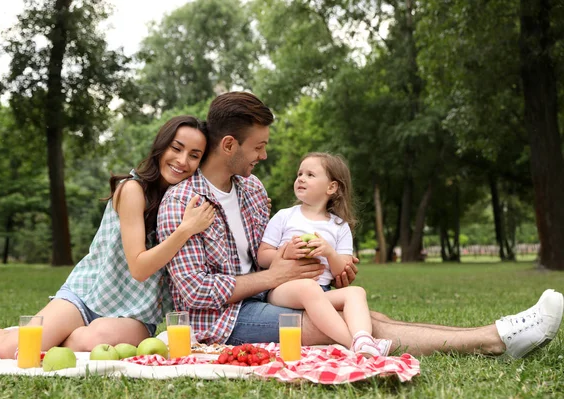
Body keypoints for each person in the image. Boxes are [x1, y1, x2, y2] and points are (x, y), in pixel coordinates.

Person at [157, 91, 564, 359]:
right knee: (339, 325)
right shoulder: (182, 201)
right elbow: (194, 293)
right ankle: (496, 339)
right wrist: (276, 273)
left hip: (269, 297)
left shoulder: (253, 191)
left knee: (364, 315)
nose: (263, 156)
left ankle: (495, 336)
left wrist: (326, 263)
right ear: (229, 145)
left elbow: (271, 255)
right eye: (258, 147)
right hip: (220, 322)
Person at [0, 115, 215, 359]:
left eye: (194, 155)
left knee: (89, 342)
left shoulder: (185, 203)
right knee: (12, 352)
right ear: (161, 147)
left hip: (135, 314)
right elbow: (139, 267)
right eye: (176, 148)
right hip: (88, 294)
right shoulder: (132, 189)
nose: (183, 161)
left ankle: (37, 335)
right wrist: (185, 230)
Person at [257, 152, 389, 357]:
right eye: (299, 174)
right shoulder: (285, 216)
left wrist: (329, 252)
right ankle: (353, 344)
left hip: (323, 290)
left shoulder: (339, 226)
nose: (301, 178)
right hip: (283, 289)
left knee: (356, 292)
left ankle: (363, 337)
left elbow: (342, 270)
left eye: (310, 175)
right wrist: (285, 253)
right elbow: (262, 255)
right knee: (309, 287)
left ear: (331, 187)